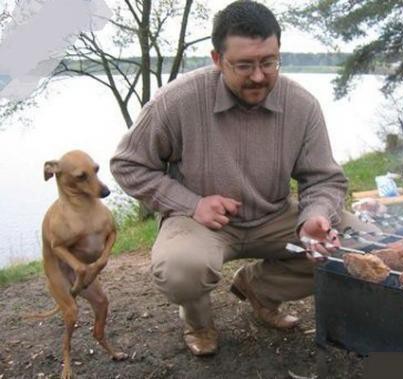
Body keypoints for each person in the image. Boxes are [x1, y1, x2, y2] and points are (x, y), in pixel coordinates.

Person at [110, 0, 376, 356]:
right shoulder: (177, 100)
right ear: (217, 59)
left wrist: (315, 216)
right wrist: (191, 204)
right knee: (181, 269)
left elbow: (324, 179)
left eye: (269, 62)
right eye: (244, 65)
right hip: (203, 222)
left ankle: (260, 289)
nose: (258, 76)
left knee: (357, 243)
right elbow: (127, 164)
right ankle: (199, 322)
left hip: (275, 217)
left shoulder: (302, 105)